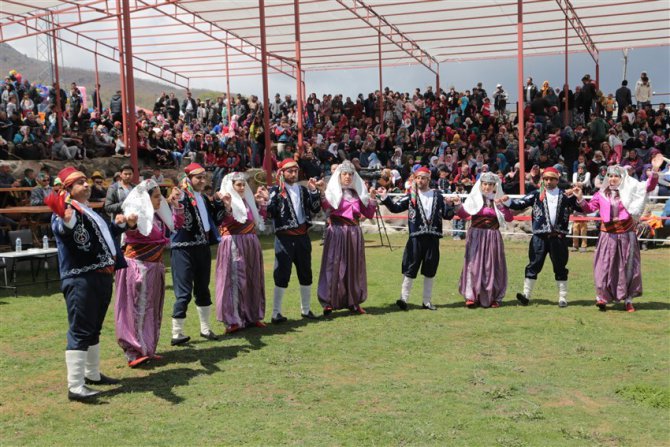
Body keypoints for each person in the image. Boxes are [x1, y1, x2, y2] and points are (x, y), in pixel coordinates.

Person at [47, 167, 135, 401]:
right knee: (80, 329)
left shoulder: (87, 210)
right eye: (80, 183)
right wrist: (66, 221)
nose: (86, 185)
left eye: (85, 182)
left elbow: (102, 238)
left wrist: (120, 225)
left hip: (100, 274)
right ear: (67, 190)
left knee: (94, 327)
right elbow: (61, 228)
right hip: (81, 278)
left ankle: (92, 374)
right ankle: (75, 386)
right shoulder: (65, 211)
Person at [574, 155, 662, 312]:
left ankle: (628, 299)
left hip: (626, 236)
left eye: (616, 176)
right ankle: (602, 297)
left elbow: (648, 186)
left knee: (628, 268)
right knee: (603, 267)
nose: (613, 178)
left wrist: (655, 170)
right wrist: (580, 198)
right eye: (611, 176)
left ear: (622, 177)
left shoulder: (630, 191)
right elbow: (588, 208)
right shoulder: (601, 194)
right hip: (607, 236)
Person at [114, 181, 183, 367]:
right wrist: (127, 223)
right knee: (136, 309)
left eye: (160, 195)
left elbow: (175, 226)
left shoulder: (157, 217)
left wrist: (176, 207)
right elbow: (131, 226)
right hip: (138, 268)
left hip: (154, 267)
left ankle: (147, 348)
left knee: (151, 308)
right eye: (156, 196)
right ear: (145, 199)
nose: (160, 199)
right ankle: (133, 352)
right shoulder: (137, 218)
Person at [378, 166, 455, 311]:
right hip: (415, 238)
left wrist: (453, 205)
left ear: (428, 179)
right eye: (418, 178)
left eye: (423, 178)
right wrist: (385, 197)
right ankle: (403, 299)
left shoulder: (438, 195)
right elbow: (395, 208)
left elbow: (447, 215)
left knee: (430, 269)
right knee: (410, 268)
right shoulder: (411, 196)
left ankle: (426, 301)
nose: (420, 180)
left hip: (432, 238)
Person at [507, 167, 582, 307]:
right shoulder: (536, 195)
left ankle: (562, 297)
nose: (548, 182)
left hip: (558, 237)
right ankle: (526, 295)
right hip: (539, 237)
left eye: (551, 179)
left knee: (560, 267)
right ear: (542, 179)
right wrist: (506, 201)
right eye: (546, 179)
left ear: (557, 180)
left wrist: (579, 196)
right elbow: (519, 204)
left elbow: (582, 208)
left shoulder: (566, 196)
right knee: (533, 264)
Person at [170, 163, 226, 345]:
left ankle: (205, 327)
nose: (202, 180)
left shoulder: (202, 197)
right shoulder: (180, 194)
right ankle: (177, 332)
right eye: (198, 177)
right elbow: (172, 210)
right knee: (184, 292)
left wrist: (219, 202)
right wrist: (173, 201)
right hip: (183, 248)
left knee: (203, 288)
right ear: (189, 178)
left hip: (202, 247)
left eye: (204, 177)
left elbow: (217, 220)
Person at [317, 160, 377, 315]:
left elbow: (369, 214)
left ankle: (353, 301)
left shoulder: (358, 194)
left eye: (351, 174)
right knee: (334, 265)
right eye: (345, 174)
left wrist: (371, 198)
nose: (348, 177)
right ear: (339, 175)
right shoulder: (332, 192)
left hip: (354, 233)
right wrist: (323, 192)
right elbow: (327, 208)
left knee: (354, 267)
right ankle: (329, 301)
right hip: (337, 232)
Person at [266, 158, 322, 323]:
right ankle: (276, 313)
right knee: (282, 273)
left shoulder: (303, 190)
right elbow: (271, 212)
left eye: (295, 171)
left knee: (306, 272)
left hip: (303, 236)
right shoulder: (275, 190)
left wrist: (313, 191)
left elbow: (315, 208)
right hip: (284, 237)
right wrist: (268, 200)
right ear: (282, 173)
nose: (293, 174)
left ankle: (305, 309)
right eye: (289, 171)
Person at [214, 172, 267, 333]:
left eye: (244, 184)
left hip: (251, 242)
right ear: (231, 186)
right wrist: (228, 207)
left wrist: (262, 204)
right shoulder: (224, 201)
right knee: (235, 280)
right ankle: (233, 319)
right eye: (238, 185)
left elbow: (257, 219)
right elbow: (226, 220)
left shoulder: (248, 201)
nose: (242, 188)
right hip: (234, 243)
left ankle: (252, 315)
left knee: (253, 277)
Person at [453, 172, 513, 308]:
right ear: (481, 185)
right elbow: (463, 214)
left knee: (491, 266)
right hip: (476, 236)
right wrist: (458, 205)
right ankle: (472, 296)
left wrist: (502, 205)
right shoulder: (474, 198)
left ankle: (492, 297)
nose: (487, 187)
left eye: (490, 184)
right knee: (474, 265)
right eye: (485, 184)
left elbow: (509, 218)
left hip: (492, 236)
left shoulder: (497, 200)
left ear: (494, 186)